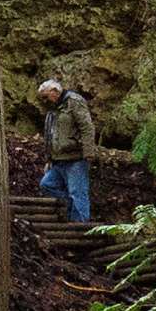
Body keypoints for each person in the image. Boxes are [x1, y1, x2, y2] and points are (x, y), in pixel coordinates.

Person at [35, 77, 95, 223]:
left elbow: (87, 127)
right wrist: (49, 158)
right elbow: (50, 135)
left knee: (77, 192)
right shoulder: (52, 109)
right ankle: (69, 206)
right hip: (58, 161)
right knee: (47, 185)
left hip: (75, 158)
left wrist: (88, 153)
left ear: (55, 91)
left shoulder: (73, 102)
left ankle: (80, 227)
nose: (43, 101)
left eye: (45, 96)